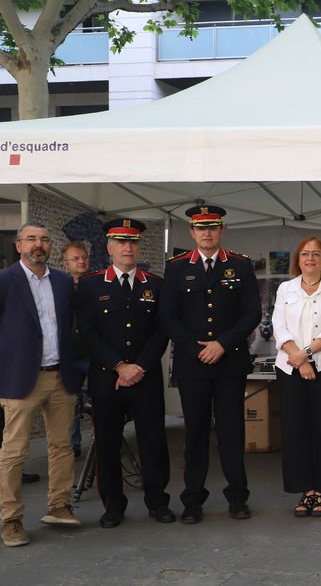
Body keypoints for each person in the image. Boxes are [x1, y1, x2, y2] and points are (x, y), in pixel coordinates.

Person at [159, 205, 261, 524]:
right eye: (200, 228)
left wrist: (222, 344)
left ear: (222, 231)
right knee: (196, 434)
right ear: (192, 232)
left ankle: (237, 497)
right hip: (193, 364)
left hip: (229, 361)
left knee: (232, 432)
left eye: (213, 227)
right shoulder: (176, 267)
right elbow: (168, 316)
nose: (207, 233)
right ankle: (192, 500)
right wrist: (195, 348)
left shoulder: (240, 265)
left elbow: (251, 313)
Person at [75, 219, 173, 529]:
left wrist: (139, 367)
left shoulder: (155, 284)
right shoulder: (91, 284)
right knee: (107, 443)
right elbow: (88, 332)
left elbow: (161, 332)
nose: (127, 247)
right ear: (109, 247)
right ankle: (113, 505)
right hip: (107, 379)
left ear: (138, 246)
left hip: (146, 378)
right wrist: (119, 366)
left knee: (153, 443)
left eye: (132, 242)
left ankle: (157, 502)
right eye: (120, 241)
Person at [0, 222, 84, 548]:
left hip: (61, 376)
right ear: (18, 245)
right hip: (20, 379)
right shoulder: (5, 282)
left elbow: (73, 329)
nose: (39, 244)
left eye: (45, 240)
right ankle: (11, 519)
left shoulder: (63, 282)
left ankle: (59, 506)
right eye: (32, 239)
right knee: (14, 452)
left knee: (62, 446)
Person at [271, 237, 321, 518]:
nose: (310, 259)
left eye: (316, 254)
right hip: (289, 367)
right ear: (298, 259)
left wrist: (305, 355)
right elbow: (279, 327)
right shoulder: (285, 289)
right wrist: (299, 359)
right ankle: (305, 490)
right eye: (305, 254)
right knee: (295, 430)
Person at [62, 241, 89, 460]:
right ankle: (73, 445)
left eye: (84, 257)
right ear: (65, 262)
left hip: (93, 354)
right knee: (70, 402)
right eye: (76, 258)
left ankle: (106, 443)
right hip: (69, 355)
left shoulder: (96, 284)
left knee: (102, 400)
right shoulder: (59, 286)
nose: (81, 261)